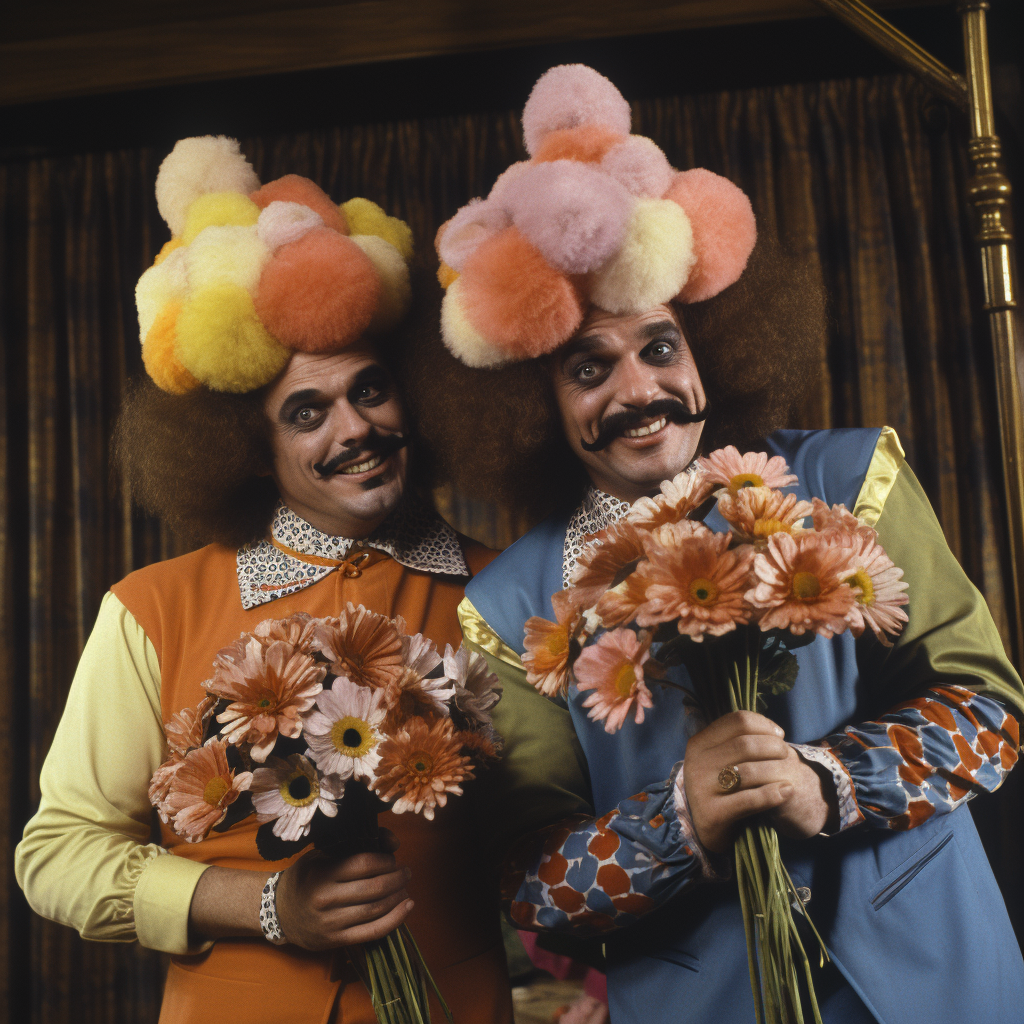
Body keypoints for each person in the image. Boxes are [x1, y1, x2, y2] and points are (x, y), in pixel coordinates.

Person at [409, 66, 1024, 1023]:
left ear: (708, 348)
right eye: (588, 368)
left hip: (936, 973)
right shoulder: (507, 610)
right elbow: (532, 886)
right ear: (534, 408)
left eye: (660, 348)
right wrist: (679, 820)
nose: (638, 391)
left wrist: (830, 780)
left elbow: (990, 707)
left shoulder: (852, 478)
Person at [15, 136, 515, 1024]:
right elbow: (56, 857)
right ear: (248, 452)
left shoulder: (508, 590)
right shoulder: (149, 610)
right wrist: (267, 910)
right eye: (307, 412)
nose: (354, 428)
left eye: (371, 390)